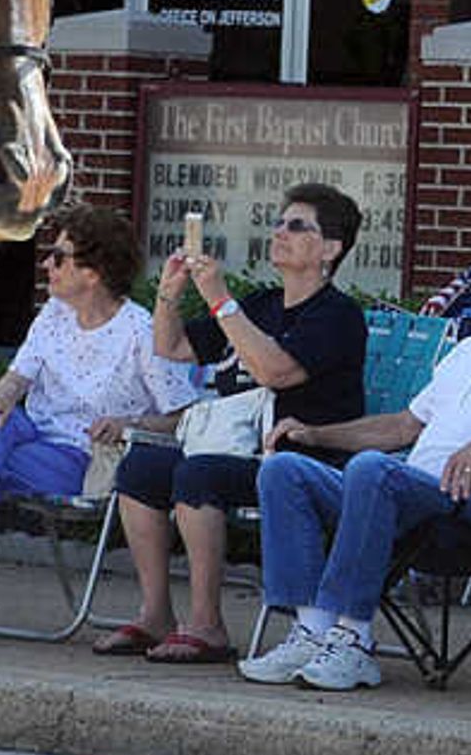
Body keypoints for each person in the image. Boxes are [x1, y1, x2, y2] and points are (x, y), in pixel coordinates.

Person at [240, 211, 471, 692]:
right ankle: (313, 629)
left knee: (372, 471)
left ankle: (354, 639)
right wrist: (317, 435)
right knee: (285, 470)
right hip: (405, 494)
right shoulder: (468, 349)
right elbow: (404, 425)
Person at [97, 183, 371, 661]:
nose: (279, 232)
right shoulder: (262, 304)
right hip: (229, 446)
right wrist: (170, 291)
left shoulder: (338, 316)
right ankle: (156, 614)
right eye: (279, 222)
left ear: (331, 248)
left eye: (297, 226)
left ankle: (207, 625)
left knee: (197, 474)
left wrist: (222, 301)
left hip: (295, 457)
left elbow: (275, 372)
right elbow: (172, 348)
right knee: (141, 468)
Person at [0, 203, 193, 643]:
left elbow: (181, 416)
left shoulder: (141, 332)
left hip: (83, 455)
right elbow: (18, 378)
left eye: (59, 256)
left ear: (92, 272)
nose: (46, 263)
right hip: (31, 435)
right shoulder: (53, 315)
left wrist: (127, 423)